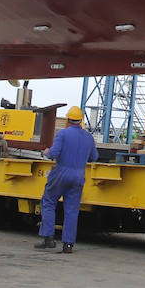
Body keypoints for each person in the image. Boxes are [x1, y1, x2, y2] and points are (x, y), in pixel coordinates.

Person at [34, 105, 98, 254]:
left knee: (48, 202)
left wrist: (46, 152)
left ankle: (48, 238)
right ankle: (68, 244)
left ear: (68, 120)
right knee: (72, 210)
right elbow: (94, 157)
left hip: (61, 173)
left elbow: (53, 153)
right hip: (78, 176)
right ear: (81, 121)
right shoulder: (89, 137)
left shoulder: (62, 134)